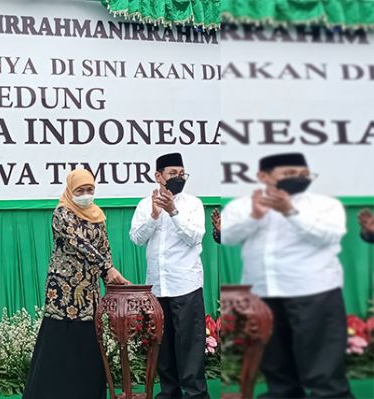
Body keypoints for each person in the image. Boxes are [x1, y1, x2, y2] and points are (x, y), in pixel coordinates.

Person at [222, 152, 352, 398]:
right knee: (275, 362)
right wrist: (254, 217)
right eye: (289, 173)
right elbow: (227, 237)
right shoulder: (241, 206)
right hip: (262, 292)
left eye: (303, 174)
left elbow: (329, 236)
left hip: (314, 291)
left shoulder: (325, 205)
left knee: (322, 363)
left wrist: (290, 212)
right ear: (263, 176)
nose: (298, 178)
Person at [23, 168, 129, 399]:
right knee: (61, 340)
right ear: (71, 190)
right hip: (63, 290)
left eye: (90, 189)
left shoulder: (98, 215)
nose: (85, 194)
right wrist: (107, 268)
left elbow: (104, 249)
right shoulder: (62, 213)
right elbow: (78, 243)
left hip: (88, 290)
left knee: (87, 341)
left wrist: (111, 279)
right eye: (80, 190)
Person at [129, 152, 208, 399]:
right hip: (158, 286)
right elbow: (137, 239)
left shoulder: (193, 204)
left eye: (181, 174)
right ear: (158, 176)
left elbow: (195, 237)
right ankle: (169, 393)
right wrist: (154, 215)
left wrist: (173, 211)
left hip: (185, 284)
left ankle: (195, 394)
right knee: (162, 345)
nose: (178, 178)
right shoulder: (145, 205)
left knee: (190, 345)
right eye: (172, 173)